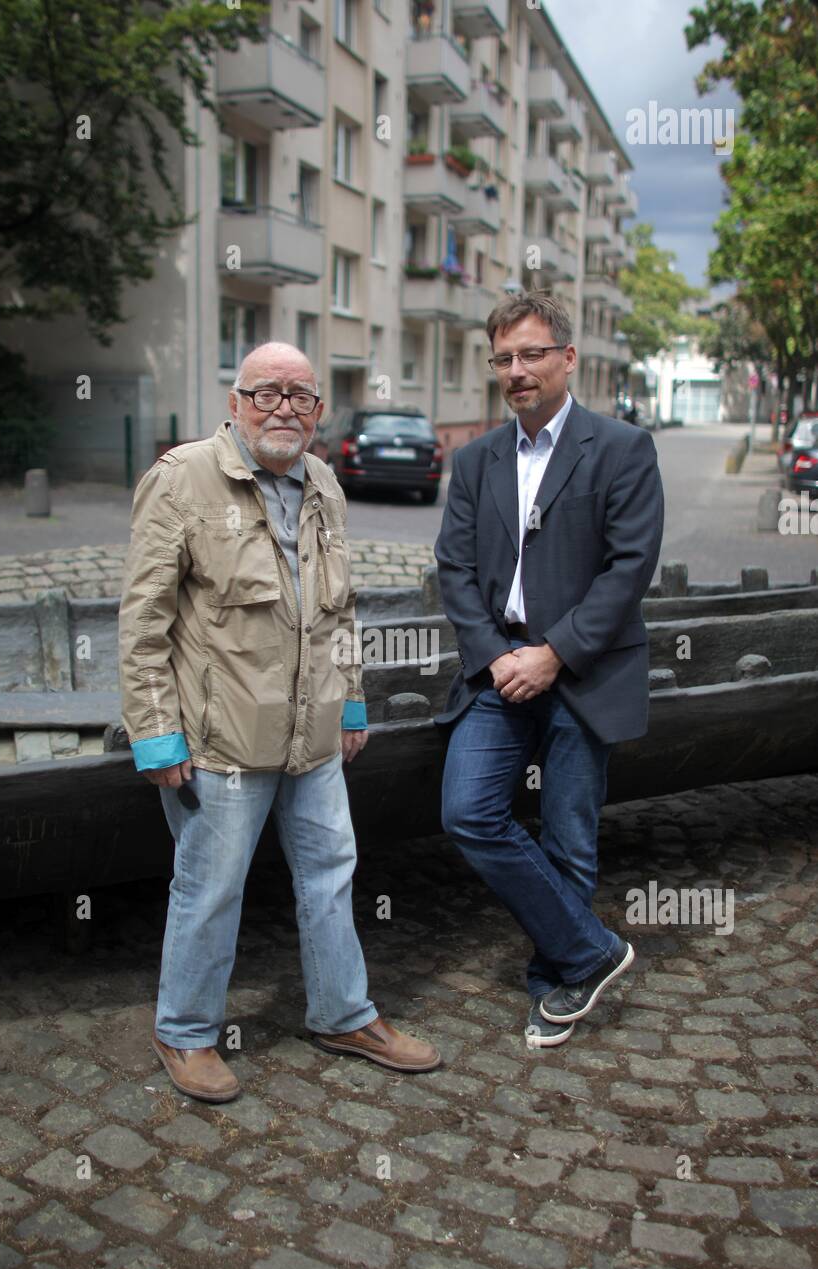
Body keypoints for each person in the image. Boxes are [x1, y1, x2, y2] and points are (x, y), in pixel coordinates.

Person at [119, 342, 440, 1101]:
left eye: (300, 396)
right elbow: (141, 625)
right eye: (266, 393)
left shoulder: (324, 480)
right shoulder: (182, 480)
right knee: (211, 888)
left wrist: (352, 701)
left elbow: (341, 609)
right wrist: (157, 736)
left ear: (318, 412)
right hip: (220, 738)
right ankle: (187, 1032)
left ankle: (343, 1014)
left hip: (315, 731)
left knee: (332, 875)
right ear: (235, 403)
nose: (283, 408)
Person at [434, 292, 664, 1047]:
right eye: (503, 358)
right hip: (499, 673)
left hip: (582, 671)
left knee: (568, 836)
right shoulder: (475, 460)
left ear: (569, 358)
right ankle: (592, 953)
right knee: (468, 812)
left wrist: (554, 652)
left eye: (532, 354)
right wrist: (500, 656)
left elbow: (628, 571)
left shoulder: (623, 448)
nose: (516, 371)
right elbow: (455, 570)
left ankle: (556, 985)